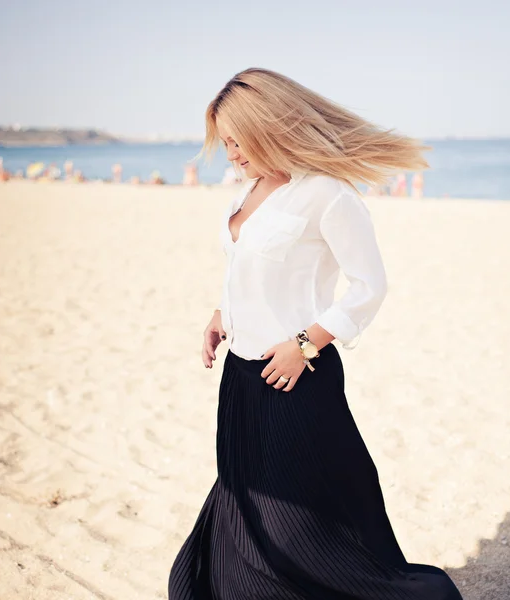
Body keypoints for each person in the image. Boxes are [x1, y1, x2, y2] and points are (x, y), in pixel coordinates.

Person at [168, 68, 463, 600]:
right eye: (225, 143)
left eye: (237, 140)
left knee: (297, 517)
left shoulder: (326, 194)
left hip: (295, 377)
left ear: (269, 126)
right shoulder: (250, 189)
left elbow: (369, 286)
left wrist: (306, 344)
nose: (231, 154)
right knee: (244, 499)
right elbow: (250, 270)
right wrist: (222, 314)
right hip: (240, 375)